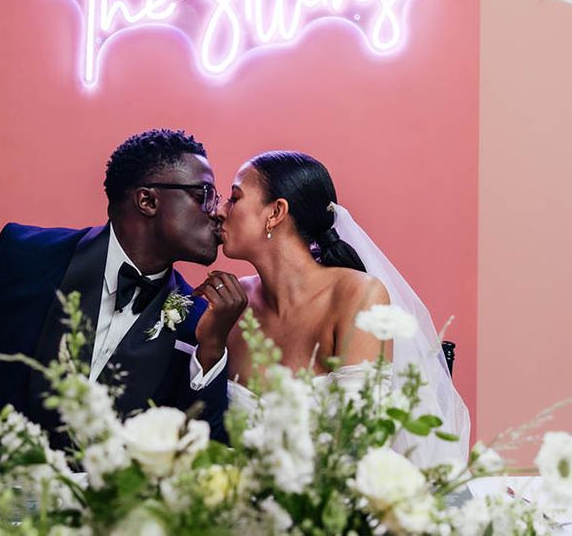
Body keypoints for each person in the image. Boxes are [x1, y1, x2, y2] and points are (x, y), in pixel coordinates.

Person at [0, 129, 246, 492]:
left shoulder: (197, 319)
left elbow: (204, 453)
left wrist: (211, 348)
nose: (218, 214)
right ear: (148, 200)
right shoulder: (21, 256)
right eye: (205, 195)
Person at [200, 150, 470, 466]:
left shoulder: (357, 296)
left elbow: (360, 444)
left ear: (275, 212)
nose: (219, 210)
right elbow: (208, 428)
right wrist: (211, 344)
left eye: (234, 198)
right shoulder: (234, 303)